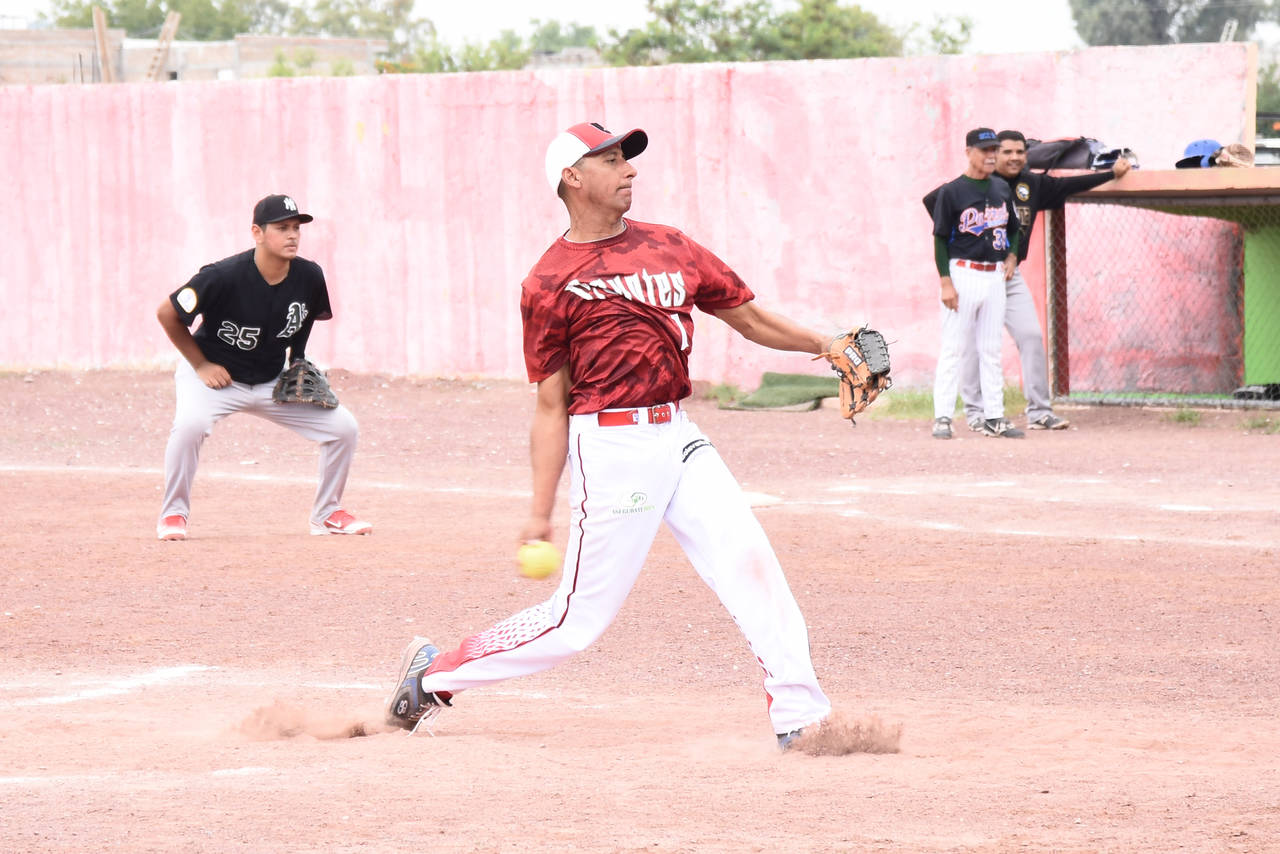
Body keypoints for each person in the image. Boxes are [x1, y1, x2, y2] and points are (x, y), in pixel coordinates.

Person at [384, 121, 832, 749]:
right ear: (572, 177)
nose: (630, 169)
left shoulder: (672, 245)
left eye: (627, 158)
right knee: (576, 622)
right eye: (612, 159)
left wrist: (826, 344)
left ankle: (799, 717)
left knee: (752, 565)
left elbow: (751, 319)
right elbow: (550, 406)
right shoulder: (548, 283)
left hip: (680, 435)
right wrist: (539, 511)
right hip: (613, 448)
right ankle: (434, 675)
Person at [154, 194, 370, 541]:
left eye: (296, 227)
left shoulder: (309, 276)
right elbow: (167, 314)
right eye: (282, 228)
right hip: (214, 378)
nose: (292, 235)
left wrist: (297, 359)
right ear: (257, 232)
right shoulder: (222, 276)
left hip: (271, 380)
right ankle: (173, 514)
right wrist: (201, 364)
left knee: (343, 428)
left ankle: (327, 514)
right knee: (190, 426)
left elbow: (304, 319)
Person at [957, 130, 1130, 432]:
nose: (1014, 157)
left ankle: (1039, 411)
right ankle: (976, 413)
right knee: (975, 344)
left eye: (1020, 152)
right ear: (994, 153)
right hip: (976, 275)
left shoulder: (1032, 183)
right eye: (1006, 152)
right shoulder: (976, 184)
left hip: (1010, 276)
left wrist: (1110, 173)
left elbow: (1069, 185)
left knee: (1031, 336)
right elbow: (939, 209)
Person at [926, 128, 1023, 440]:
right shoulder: (952, 192)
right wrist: (945, 282)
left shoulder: (1001, 188)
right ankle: (943, 416)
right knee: (953, 348)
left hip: (994, 275)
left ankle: (994, 416)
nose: (991, 155)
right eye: (985, 150)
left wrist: (1012, 255)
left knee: (991, 350)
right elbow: (940, 239)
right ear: (968, 152)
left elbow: (1014, 228)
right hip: (963, 273)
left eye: (994, 149)